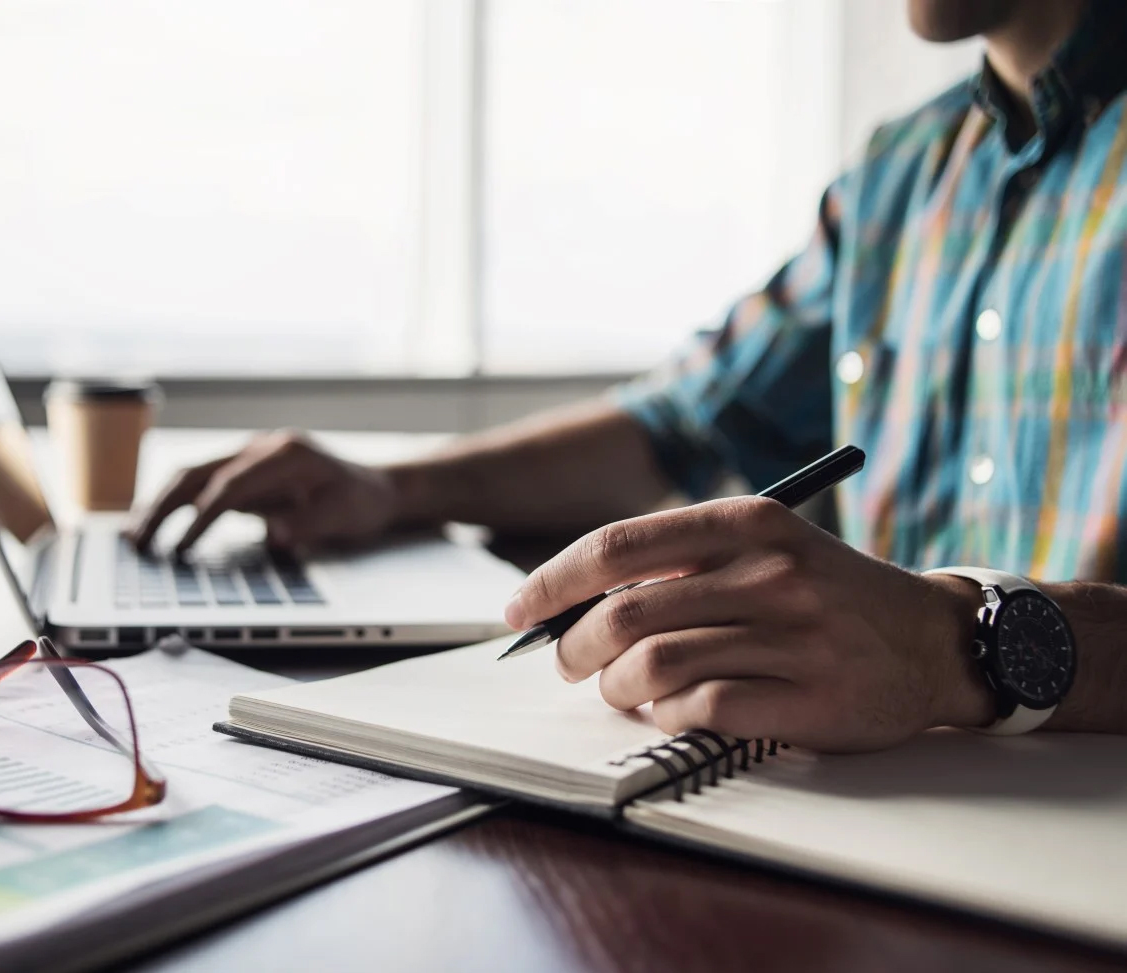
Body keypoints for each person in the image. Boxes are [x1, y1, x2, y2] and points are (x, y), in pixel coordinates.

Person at [131, 0, 1127, 752]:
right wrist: (397, 487)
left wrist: (951, 644)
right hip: (880, 809)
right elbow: (686, 422)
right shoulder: (899, 177)